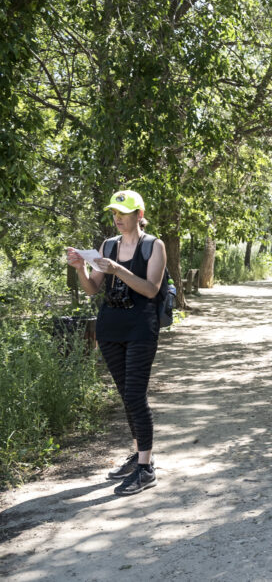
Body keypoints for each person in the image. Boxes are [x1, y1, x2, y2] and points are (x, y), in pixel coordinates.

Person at [66, 190, 166, 496]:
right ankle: (138, 455)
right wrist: (81, 269)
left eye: (123, 213)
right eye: (114, 213)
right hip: (110, 327)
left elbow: (151, 289)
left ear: (139, 214)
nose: (117, 219)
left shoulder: (154, 246)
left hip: (140, 327)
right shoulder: (107, 245)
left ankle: (146, 470)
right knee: (125, 394)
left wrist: (118, 269)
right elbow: (93, 290)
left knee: (136, 394)